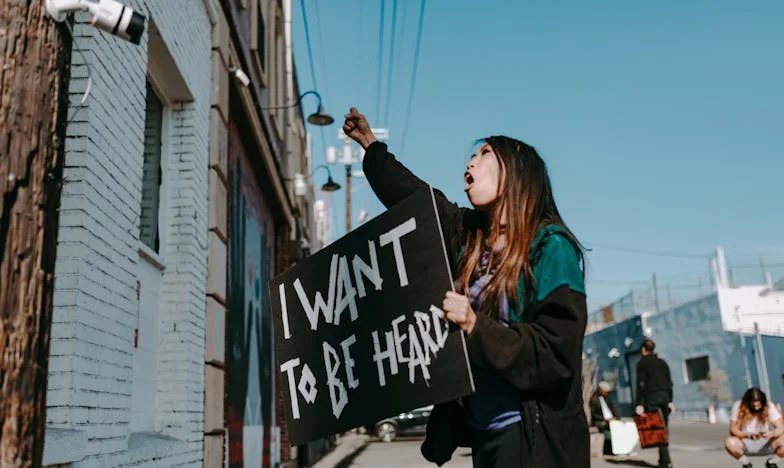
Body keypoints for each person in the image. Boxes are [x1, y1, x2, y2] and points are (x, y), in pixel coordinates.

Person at [343, 107, 589, 468]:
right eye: (472, 155)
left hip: (531, 441)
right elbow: (415, 201)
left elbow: (555, 354)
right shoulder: (470, 237)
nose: (470, 162)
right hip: (484, 435)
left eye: (484, 153)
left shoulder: (551, 248)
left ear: (516, 172)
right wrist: (369, 145)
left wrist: (475, 325)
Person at [634, 338, 674, 468]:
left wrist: (639, 403)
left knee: (657, 429)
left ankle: (665, 461)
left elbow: (640, 384)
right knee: (664, 428)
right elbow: (669, 383)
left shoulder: (642, 363)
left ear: (643, 349)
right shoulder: (662, 363)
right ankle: (664, 459)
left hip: (652, 398)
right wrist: (670, 400)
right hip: (665, 397)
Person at [724, 387, 784, 468]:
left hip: (767, 442)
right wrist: (749, 435)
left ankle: (772, 462)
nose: (756, 408)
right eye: (753, 406)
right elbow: (733, 429)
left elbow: (781, 427)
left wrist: (772, 433)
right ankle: (746, 463)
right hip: (745, 442)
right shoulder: (738, 406)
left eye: (758, 405)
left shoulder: (769, 405)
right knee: (729, 442)